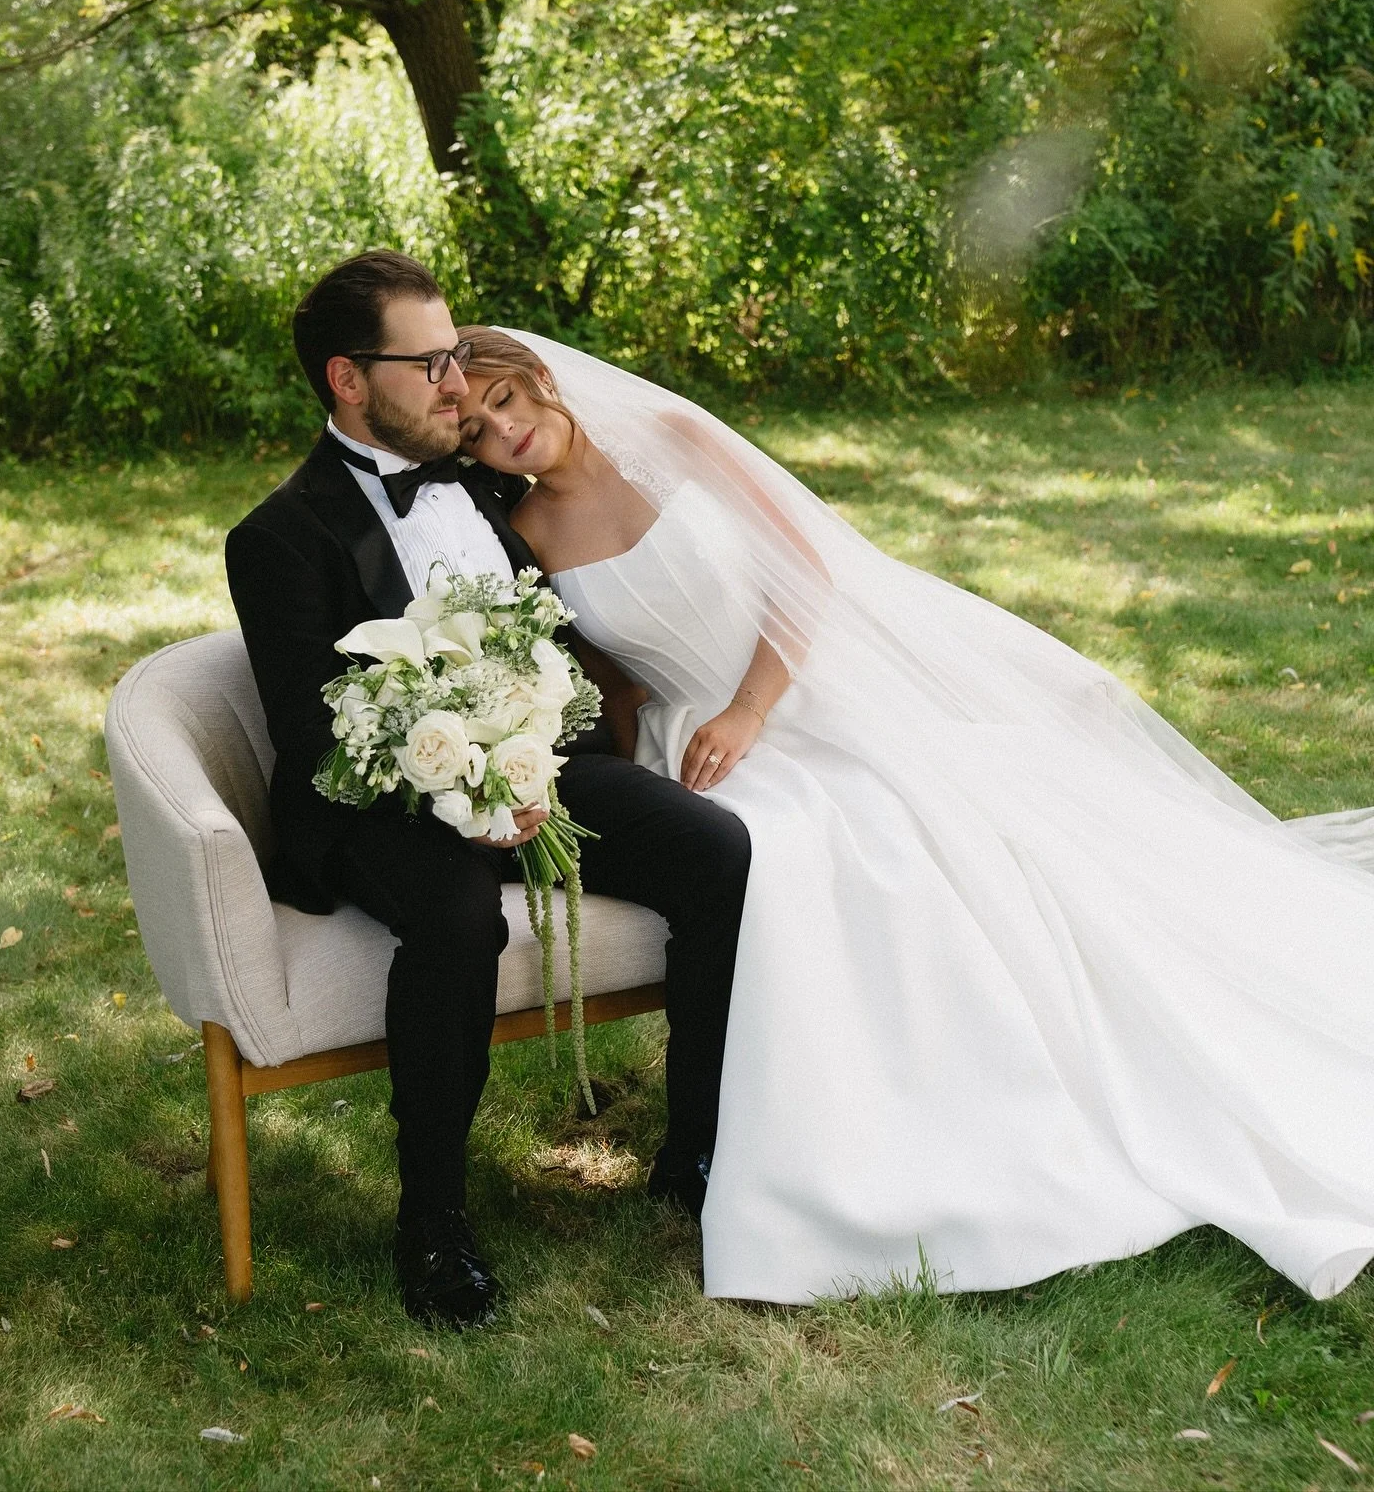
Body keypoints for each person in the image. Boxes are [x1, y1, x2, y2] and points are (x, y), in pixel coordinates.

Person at [454, 323, 1374, 1305]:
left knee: (896, 826)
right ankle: (788, 1128)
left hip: (791, 690)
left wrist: (751, 708)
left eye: (505, 402)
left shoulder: (675, 440)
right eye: (472, 430)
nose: (500, 431)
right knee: (781, 848)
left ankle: (981, 1096)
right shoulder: (534, 539)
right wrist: (651, 768)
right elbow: (616, 683)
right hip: (696, 740)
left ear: (542, 380)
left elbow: (800, 567)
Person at [224, 253, 750, 1327]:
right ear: (348, 379)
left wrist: (543, 750)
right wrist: (465, 797)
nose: (458, 382)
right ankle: (433, 1223)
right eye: (429, 363)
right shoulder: (280, 537)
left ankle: (695, 1150)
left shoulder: (482, 481)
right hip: (377, 802)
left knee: (717, 850)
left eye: (456, 352)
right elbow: (320, 735)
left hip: (546, 763)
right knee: (459, 915)